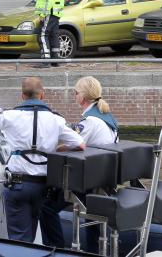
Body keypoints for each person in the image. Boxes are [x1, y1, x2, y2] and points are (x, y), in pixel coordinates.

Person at [0, 76, 85, 243]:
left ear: (22, 96)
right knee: (36, 235)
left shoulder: (11, 116)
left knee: (20, 240)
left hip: (18, 186)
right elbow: (80, 144)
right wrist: (56, 149)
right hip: (43, 187)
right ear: (42, 95)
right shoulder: (56, 120)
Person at [40, 75, 119, 251]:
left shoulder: (90, 121)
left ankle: (56, 249)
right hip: (103, 178)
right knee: (92, 218)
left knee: (46, 207)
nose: (74, 96)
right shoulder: (107, 117)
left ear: (82, 97)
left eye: (75, 93)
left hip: (88, 181)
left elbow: (73, 144)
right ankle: (94, 249)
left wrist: (51, 147)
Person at [35, 0, 65, 67]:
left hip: (49, 12)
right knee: (54, 35)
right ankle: (55, 60)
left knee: (43, 35)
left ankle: (46, 60)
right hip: (56, 12)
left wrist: (43, 14)